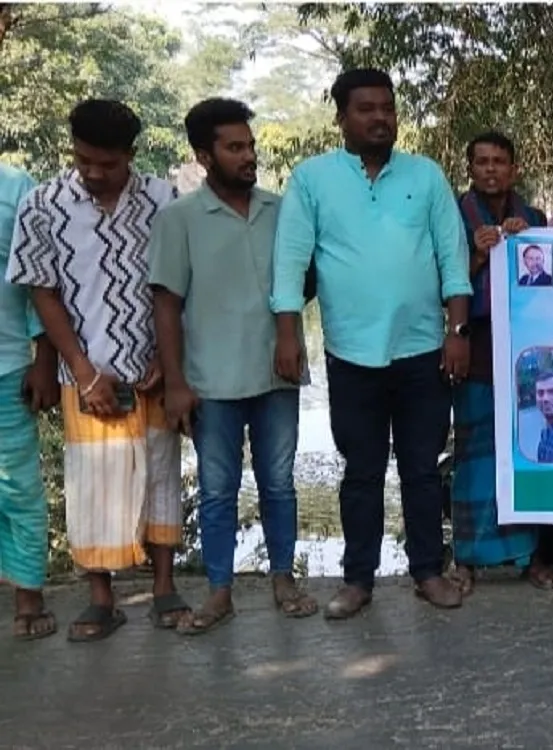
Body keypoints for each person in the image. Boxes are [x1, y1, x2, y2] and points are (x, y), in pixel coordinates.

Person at [272, 68, 471, 618]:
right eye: (366, 108)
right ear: (340, 117)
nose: (380, 117)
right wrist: (288, 332)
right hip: (350, 353)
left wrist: (457, 333)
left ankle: (428, 571)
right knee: (360, 471)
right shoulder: (312, 180)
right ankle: (358, 580)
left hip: (423, 350)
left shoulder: (426, 176)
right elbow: (290, 261)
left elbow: (452, 260)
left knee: (423, 469)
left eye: (387, 107)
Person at [6, 99, 188, 640]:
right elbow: (43, 292)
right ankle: (101, 597)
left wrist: (165, 358)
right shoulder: (43, 203)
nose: (93, 172)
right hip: (83, 371)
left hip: (152, 367)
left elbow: (179, 287)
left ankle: (163, 588)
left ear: (130, 155)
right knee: (90, 482)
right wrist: (82, 371)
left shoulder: (164, 201)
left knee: (160, 475)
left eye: (107, 163)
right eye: (84, 159)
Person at [148, 98, 318, 634]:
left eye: (251, 146)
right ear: (204, 155)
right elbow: (166, 304)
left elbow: (305, 280)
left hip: (276, 375)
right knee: (218, 489)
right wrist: (175, 383)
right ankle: (219, 591)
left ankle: (284, 579)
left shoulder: (281, 210)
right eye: (235, 147)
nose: (249, 156)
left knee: (279, 484)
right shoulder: (179, 219)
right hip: (210, 381)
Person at [452, 130, 553, 595]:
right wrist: (478, 255)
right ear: (470, 169)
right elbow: (441, 277)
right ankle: (467, 559)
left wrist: (532, 244)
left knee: (526, 452)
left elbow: (552, 286)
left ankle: (530, 558)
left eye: (500, 161)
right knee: (475, 454)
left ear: (514, 168)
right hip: (476, 346)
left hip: (525, 351)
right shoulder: (454, 215)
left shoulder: (533, 217)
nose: (491, 169)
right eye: (482, 162)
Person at [0, 160, 59, 641]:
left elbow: (40, 279)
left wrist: (45, 359)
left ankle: (28, 593)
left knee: (19, 487)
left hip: (8, 365)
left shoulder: (18, 187)